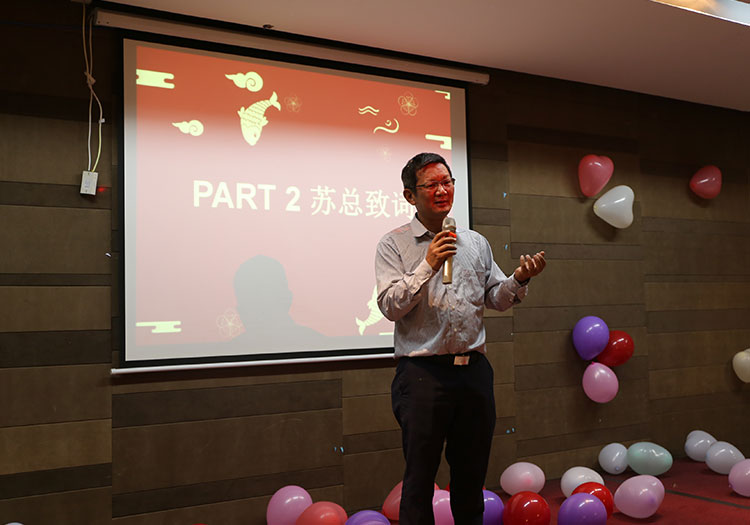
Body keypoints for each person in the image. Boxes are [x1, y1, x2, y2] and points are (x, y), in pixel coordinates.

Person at [375, 153, 546, 525]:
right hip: (422, 376)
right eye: (431, 185)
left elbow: (495, 298)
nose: (442, 190)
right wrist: (428, 264)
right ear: (410, 195)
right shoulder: (394, 244)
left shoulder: (475, 242)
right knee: (419, 481)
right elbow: (389, 306)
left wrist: (519, 279)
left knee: (470, 478)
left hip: (473, 374)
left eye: (447, 182)